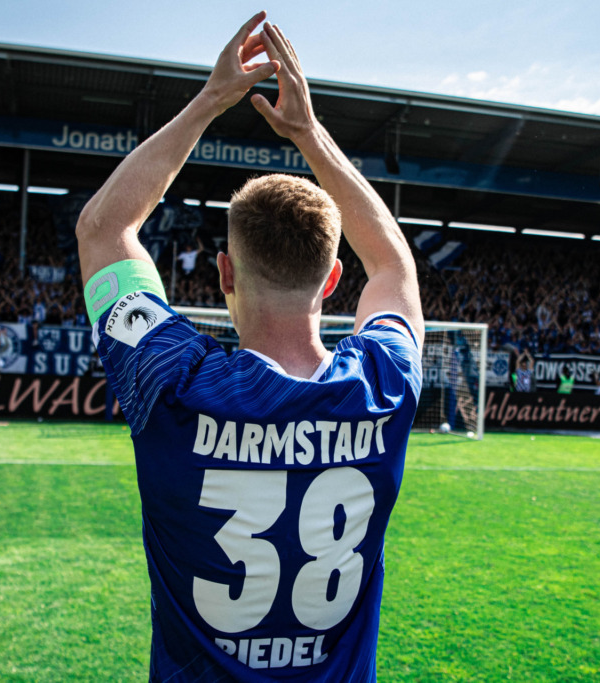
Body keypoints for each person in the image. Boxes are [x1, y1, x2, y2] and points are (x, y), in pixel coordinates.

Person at [76, 14, 423, 682]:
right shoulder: (384, 382)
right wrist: (309, 133)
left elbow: (104, 228)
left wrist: (212, 98)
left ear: (225, 276)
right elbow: (394, 269)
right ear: (331, 278)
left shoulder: (173, 381)